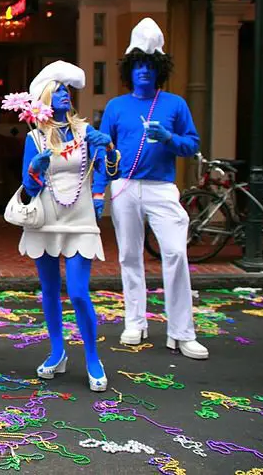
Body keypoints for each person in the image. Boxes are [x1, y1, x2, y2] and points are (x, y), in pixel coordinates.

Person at [93, 18, 207, 360]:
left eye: (149, 65)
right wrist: (99, 192)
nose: (144, 71)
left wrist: (169, 138)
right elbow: (103, 152)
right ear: (130, 69)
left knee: (175, 253)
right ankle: (135, 321)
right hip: (125, 187)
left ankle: (182, 332)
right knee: (129, 256)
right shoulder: (116, 106)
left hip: (161, 187)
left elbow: (192, 145)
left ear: (159, 69)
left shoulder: (175, 104)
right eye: (138, 65)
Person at [19, 61, 118, 392]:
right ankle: (58, 350)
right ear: (45, 97)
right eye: (58, 89)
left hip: (80, 218)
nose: (65, 94)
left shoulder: (84, 131)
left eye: (66, 89)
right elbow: (29, 188)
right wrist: (35, 169)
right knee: (49, 290)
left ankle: (92, 357)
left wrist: (108, 150)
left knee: (77, 292)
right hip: (46, 220)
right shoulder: (34, 138)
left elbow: (109, 167)